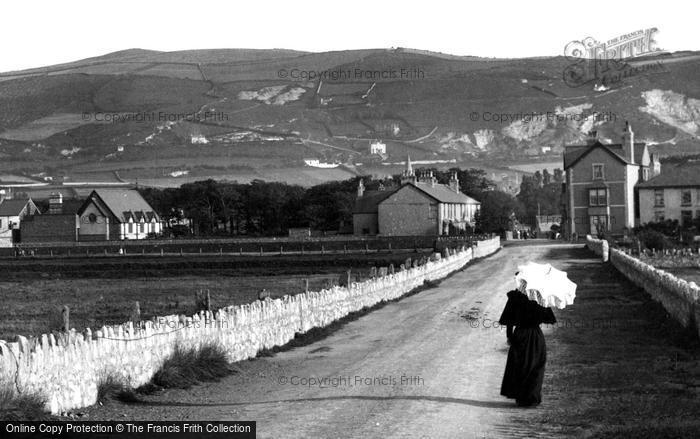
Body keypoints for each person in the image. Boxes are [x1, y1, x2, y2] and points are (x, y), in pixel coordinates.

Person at [499, 276, 556, 407]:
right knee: (536, 366)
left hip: (519, 335)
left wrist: (510, 337)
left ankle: (521, 397)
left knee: (520, 366)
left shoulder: (515, 297)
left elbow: (508, 320)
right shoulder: (538, 297)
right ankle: (532, 398)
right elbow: (549, 319)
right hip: (535, 336)